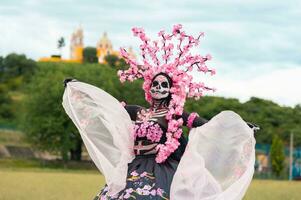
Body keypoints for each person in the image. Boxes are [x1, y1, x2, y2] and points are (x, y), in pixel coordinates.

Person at [62, 24, 259, 200]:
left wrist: (241, 128)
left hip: (162, 171)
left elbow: (209, 125)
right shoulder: (137, 112)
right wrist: (78, 90)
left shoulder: (173, 115)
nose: (158, 88)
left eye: (163, 85)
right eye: (155, 84)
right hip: (134, 167)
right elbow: (108, 108)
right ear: (149, 87)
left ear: (172, 89)